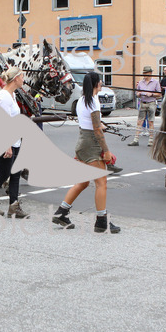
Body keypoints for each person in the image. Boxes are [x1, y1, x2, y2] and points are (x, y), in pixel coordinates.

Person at [52, 72, 121, 233]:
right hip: (92, 144)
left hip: (82, 141)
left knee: (83, 182)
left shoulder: (82, 100)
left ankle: (62, 212)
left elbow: (90, 123)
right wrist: (106, 151)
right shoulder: (94, 102)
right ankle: (101, 221)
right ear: (97, 84)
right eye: (101, 80)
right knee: (101, 183)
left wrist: (101, 126)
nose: (102, 82)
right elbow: (97, 129)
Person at [0, 67, 29, 219]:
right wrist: (6, 145)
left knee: (15, 174)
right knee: (3, 174)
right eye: (22, 76)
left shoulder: (12, 95)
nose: (24, 79)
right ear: (16, 78)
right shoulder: (3, 97)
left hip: (14, 141)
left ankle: (14, 207)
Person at [129, 65, 161, 147]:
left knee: (151, 121)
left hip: (151, 103)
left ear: (150, 73)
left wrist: (152, 94)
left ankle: (151, 140)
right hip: (143, 102)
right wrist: (138, 94)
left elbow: (160, 94)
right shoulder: (140, 82)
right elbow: (137, 93)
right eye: (144, 73)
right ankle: (136, 139)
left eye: (146, 73)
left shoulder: (155, 82)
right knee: (139, 121)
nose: (145, 75)